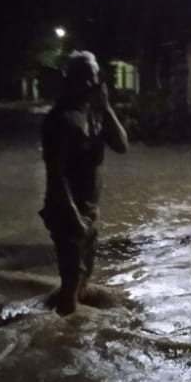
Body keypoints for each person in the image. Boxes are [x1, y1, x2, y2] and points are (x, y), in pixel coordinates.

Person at [40, 51, 128, 315]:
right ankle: (64, 341)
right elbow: (56, 175)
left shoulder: (96, 114)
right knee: (71, 281)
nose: (92, 83)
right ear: (72, 79)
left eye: (95, 77)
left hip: (90, 210)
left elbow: (122, 146)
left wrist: (107, 108)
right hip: (67, 210)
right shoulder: (60, 119)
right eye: (86, 77)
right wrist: (74, 217)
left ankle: (72, 327)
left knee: (84, 276)